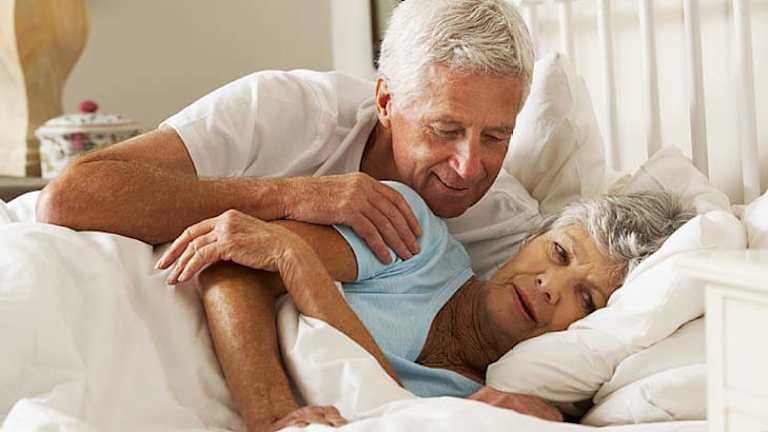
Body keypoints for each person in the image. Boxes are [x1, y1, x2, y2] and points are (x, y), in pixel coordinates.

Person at [36, 0, 536, 278]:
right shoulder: (285, 108)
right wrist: (290, 197)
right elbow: (70, 198)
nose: (470, 167)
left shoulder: (507, 229)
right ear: (386, 101)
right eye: (445, 130)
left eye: (497, 136)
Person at [156, 184, 693, 432]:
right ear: (532, 238)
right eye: (557, 253)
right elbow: (236, 259)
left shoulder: (503, 410)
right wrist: (272, 416)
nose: (550, 287)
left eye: (586, 298)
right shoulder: (411, 238)